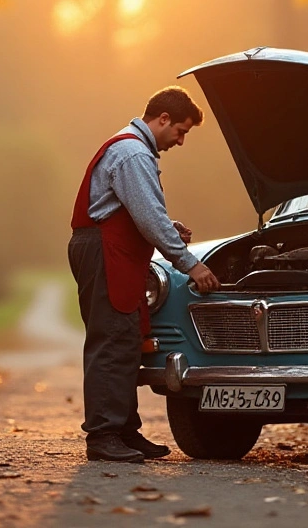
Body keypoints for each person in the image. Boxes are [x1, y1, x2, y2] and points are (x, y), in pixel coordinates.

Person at [68, 86, 221, 462]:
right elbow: (148, 219)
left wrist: (168, 227)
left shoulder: (131, 148)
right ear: (162, 119)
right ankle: (103, 437)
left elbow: (140, 213)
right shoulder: (134, 152)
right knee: (111, 343)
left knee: (125, 341)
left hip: (111, 251)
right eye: (181, 131)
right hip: (106, 253)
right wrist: (191, 263)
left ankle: (124, 431)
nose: (181, 141)